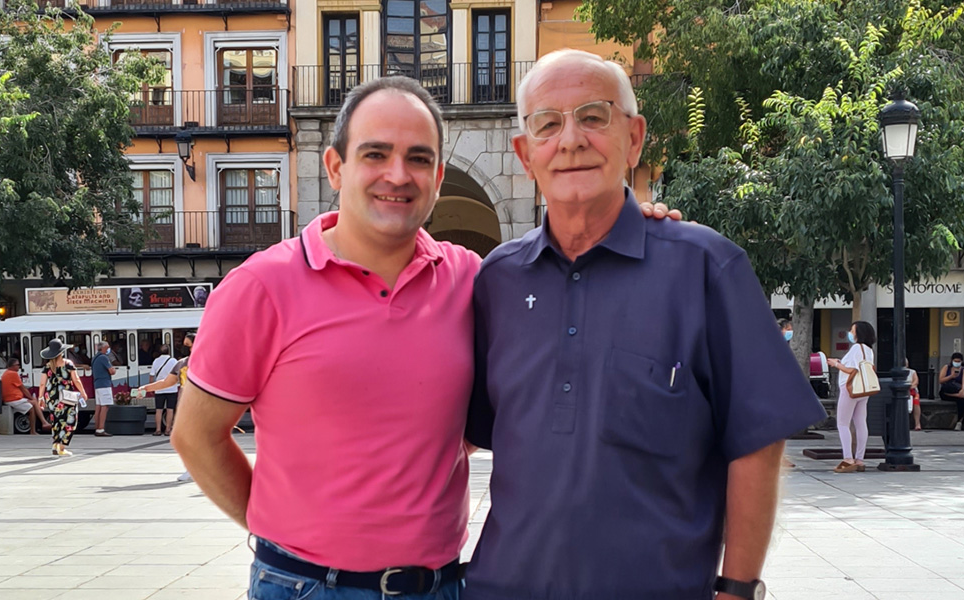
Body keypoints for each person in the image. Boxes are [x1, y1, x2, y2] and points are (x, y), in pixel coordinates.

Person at [171, 75, 679, 600]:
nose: (398, 174)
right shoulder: (260, 287)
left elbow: (555, 315)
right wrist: (277, 529)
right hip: (305, 587)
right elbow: (196, 435)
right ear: (335, 167)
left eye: (418, 158)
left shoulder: (473, 280)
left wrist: (621, 225)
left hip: (439, 586)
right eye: (375, 154)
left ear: (438, 178)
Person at [464, 49, 826, 600]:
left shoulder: (707, 267)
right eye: (548, 124)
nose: (571, 140)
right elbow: (473, 433)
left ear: (634, 139)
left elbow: (757, 442)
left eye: (593, 116)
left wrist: (737, 587)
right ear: (524, 153)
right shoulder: (498, 280)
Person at [140, 332, 195, 482]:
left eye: (187, 345)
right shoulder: (181, 363)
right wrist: (145, 388)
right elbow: (166, 382)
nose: (183, 348)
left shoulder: (207, 362)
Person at [826, 321, 877, 473]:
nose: (850, 332)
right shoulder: (869, 350)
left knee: (843, 423)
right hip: (864, 389)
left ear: (858, 333)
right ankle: (860, 458)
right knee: (861, 422)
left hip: (850, 388)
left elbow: (852, 370)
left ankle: (848, 458)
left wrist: (836, 364)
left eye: (852, 330)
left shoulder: (856, 348)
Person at [38, 339, 89, 456]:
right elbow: (76, 379)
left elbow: (42, 383)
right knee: (71, 421)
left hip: (51, 397)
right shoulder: (68, 364)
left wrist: (40, 398)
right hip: (67, 397)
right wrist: (83, 392)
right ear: (61, 352)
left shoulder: (47, 366)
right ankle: (62, 447)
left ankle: (55, 445)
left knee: (56, 421)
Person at [1, 358, 52, 434]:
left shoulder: (6, 373)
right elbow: (23, 388)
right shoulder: (13, 374)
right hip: (13, 399)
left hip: (11, 398)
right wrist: (30, 398)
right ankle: (42, 424)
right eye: (18, 365)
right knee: (34, 403)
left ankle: (38, 426)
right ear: (12, 366)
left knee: (32, 407)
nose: (19, 367)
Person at [149, 345, 178, 436]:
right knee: (170, 410)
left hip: (159, 389)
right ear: (169, 351)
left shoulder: (156, 361)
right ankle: (168, 430)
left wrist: (151, 387)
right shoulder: (174, 361)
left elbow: (151, 376)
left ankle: (158, 430)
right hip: (171, 389)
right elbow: (179, 374)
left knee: (159, 410)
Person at [91, 341, 116, 437]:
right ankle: (101, 429)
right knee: (105, 406)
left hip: (97, 384)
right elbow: (111, 371)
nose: (109, 349)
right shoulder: (104, 358)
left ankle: (97, 427)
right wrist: (113, 370)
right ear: (104, 348)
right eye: (108, 347)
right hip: (104, 384)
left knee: (98, 407)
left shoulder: (95, 358)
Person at [938, 352, 964, 430]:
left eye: (958, 361)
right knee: (961, 397)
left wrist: (963, 390)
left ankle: (959, 421)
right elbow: (941, 380)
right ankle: (961, 396)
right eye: (955, 361)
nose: (957, 363)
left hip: (958, 391)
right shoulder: (946, 367)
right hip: (947, 391)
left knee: (962, 401)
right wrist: (951, 376)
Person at [907, 358, 921, 431]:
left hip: (912, 391)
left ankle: (917, 423)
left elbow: (916, 382)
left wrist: (909, 386)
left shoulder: (912, 372)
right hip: (902, 392)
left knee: (916, 403)